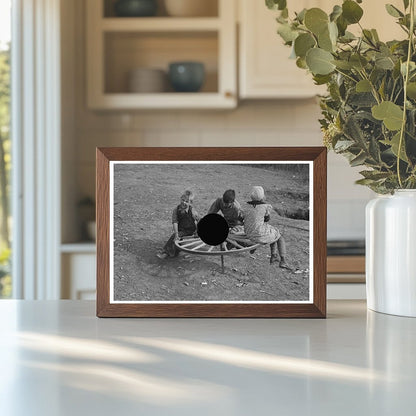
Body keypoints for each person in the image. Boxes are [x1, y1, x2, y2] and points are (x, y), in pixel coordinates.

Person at [243, 186, 289, 268]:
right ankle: (283, 260)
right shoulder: (265, 206)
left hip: (248, 232)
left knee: (272, 232)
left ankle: (274, 255)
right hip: (258, 233)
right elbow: (267, 219)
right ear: (262, 196)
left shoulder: (246, 206)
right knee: (279, 236)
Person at [157, 190, 199, 258]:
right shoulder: (176, 210)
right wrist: (176, 234)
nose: (184, 202)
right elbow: (175, 222)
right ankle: (168, 252)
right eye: (183, 200)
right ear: (180, 198)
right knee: (175, 237)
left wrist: (197, 231)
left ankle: (167, 252)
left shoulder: (192, 210)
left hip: (191, 230)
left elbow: (198, 221)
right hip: (182, 230)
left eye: (186, 201)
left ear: (190, 203)